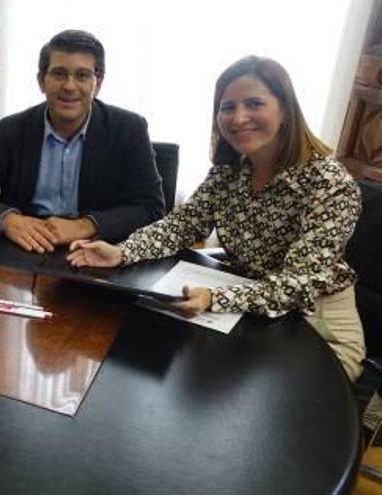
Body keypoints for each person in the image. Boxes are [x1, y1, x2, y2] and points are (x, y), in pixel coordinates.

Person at [67, 56, 365, 381]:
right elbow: (182, 224)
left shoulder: (330, 182)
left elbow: (298, 283)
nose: (239, 118)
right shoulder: (230, 169)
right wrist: (123, 250)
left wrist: (216, 297)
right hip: (250, 309)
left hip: (317, 325)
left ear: (285, 109)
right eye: (227, 107)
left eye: (254, 103)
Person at [0, 29, 164, 254]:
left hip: (98, 250)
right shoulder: (10, 130)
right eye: (59, 74)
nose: (69, 86)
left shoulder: (129, 129)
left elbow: (150, 207)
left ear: (97, 84)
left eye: (82, 75)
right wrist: (8, 220)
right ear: (42, 81)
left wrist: (86, 225)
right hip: (26, 246)